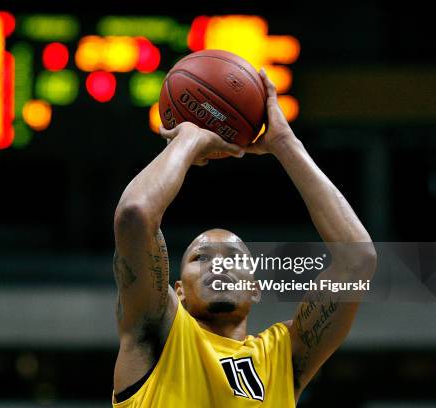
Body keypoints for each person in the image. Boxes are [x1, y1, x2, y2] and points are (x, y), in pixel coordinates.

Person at [111, 69, 377, 407]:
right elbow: (134, 215)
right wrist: (188, 140)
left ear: (255, 287)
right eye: (201, 257)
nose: (219, 264)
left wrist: (285, 144)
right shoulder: (156, 334)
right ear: (177, 291)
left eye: (234, 258)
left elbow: (359, 260)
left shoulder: (284, 356)